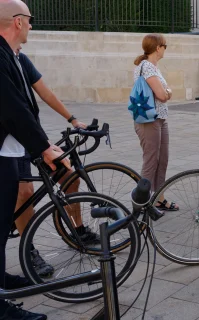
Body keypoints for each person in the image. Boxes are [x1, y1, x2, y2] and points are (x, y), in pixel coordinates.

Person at [0, 0, 70, 318]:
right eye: (29, 19)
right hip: (2, 151)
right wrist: (43, 146)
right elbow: (12, 107)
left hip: (11, 148)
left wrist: (42, 142)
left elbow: (26, 105)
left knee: (3, 222)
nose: (32, 24)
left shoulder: (12, 55)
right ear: (17, 21)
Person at [10, 48, 92, 279]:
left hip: (32, 133)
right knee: (24, 192)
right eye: (28, 21)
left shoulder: (20, 58)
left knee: (68, 174)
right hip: (12, 139)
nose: (31, 26)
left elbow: (45, 92)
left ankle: (78, 230)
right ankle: (30, 250)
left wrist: (73, 119)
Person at [133, 34, 179, 212]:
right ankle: (142, 203)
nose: (165, 49)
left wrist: (166, 92)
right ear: (158, 48)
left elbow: (163, 93)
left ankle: (159, 198)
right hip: (148, 120)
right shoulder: (146, 67)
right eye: (165, 46)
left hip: (159, 119)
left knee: (162, 160)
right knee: (151, 161)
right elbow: (162, 95)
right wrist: (168, 92)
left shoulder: (153, 67)